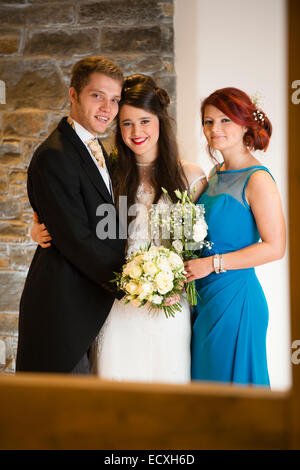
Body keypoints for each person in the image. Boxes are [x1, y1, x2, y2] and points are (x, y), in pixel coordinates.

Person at [31, 74, 208, 383]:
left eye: (144, 121)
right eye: (126, 123)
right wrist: (36, 227)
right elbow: (73, 216)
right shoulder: (112, 173)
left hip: (169, 305)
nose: (136, 132)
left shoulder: (190, 176)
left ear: (160, 121)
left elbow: (205, 240)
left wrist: (179, 281)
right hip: (117, 303)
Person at [16, 56, 127, 374]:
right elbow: (76, 238)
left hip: (93, 306)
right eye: (97, 96)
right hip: (63, 310)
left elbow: (110, 221)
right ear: (73, 95)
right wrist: (132, 282)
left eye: (115, 99)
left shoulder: (99, 150)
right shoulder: (55, 155)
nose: (107, 107)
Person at [184, 87, 286, 386]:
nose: (215, 129)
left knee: (232, 395)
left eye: (225, 120)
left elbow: (275, 247)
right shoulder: (216, 172)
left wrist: (211, 264)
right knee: (206, 391)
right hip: (204, 298)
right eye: (208, 121)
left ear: (245, 125)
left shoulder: (258, 179)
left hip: (235, 299)